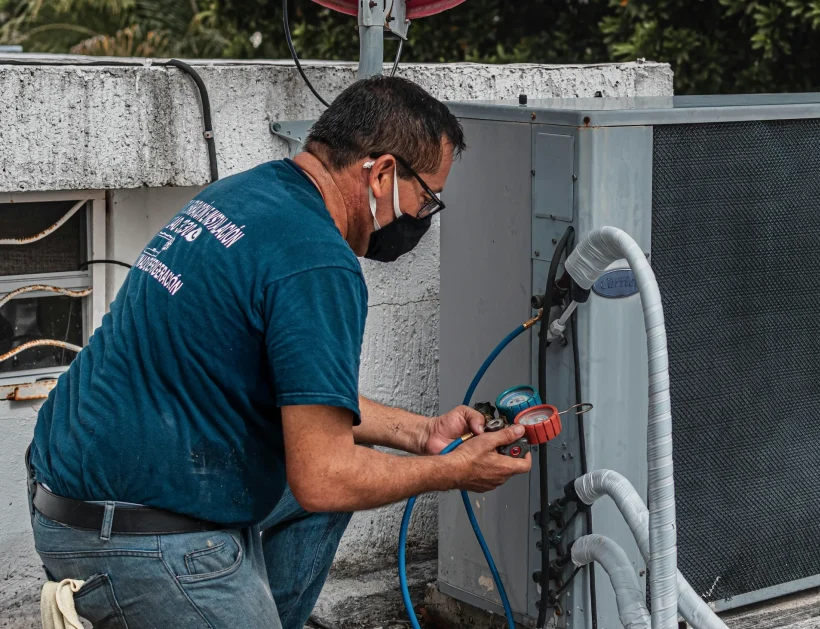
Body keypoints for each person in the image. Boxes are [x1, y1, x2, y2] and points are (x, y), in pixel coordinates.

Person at [26, 76, 532, 629]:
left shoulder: (242, 195)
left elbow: (306, 402)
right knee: (334, 483)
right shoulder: (318, 261)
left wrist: (422, 434)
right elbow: (325, 475)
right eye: (428, 198)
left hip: (66, 493)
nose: (425, 217)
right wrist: (454, 470)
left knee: (324, 487)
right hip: (135, 539)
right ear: (383, 172)